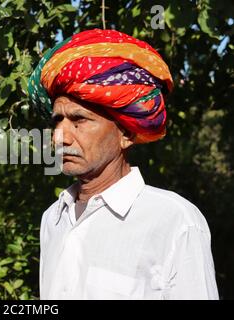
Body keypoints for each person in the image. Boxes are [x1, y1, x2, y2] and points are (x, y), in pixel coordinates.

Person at [28, 29, 219, 300]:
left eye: (79, 120)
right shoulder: (53, 219)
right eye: (57, 121)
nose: (60, 137)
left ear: (126, 134)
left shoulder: (174, 221)